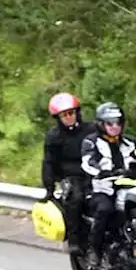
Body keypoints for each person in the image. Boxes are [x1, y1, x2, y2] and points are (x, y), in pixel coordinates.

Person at [80, 102, 136, 269]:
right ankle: (94, 250)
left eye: (118, 122)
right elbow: (87, 163)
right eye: (110, 123)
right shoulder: (91, 142)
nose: (115, 127)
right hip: (103, 189)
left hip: (129, 189)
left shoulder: (131, 142)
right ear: (100, 124)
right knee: (105, 209)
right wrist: (102, 172)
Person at [40, 92, 96, 252]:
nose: (69, 117)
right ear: (58, 118)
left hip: (94, 172)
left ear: (77, 112)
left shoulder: (91, 129)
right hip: (71, 176)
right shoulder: (54, 137)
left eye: (71, 113)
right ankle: (74, 240)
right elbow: (48, 163)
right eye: (64, 115)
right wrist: (49, 189)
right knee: (76, 198)